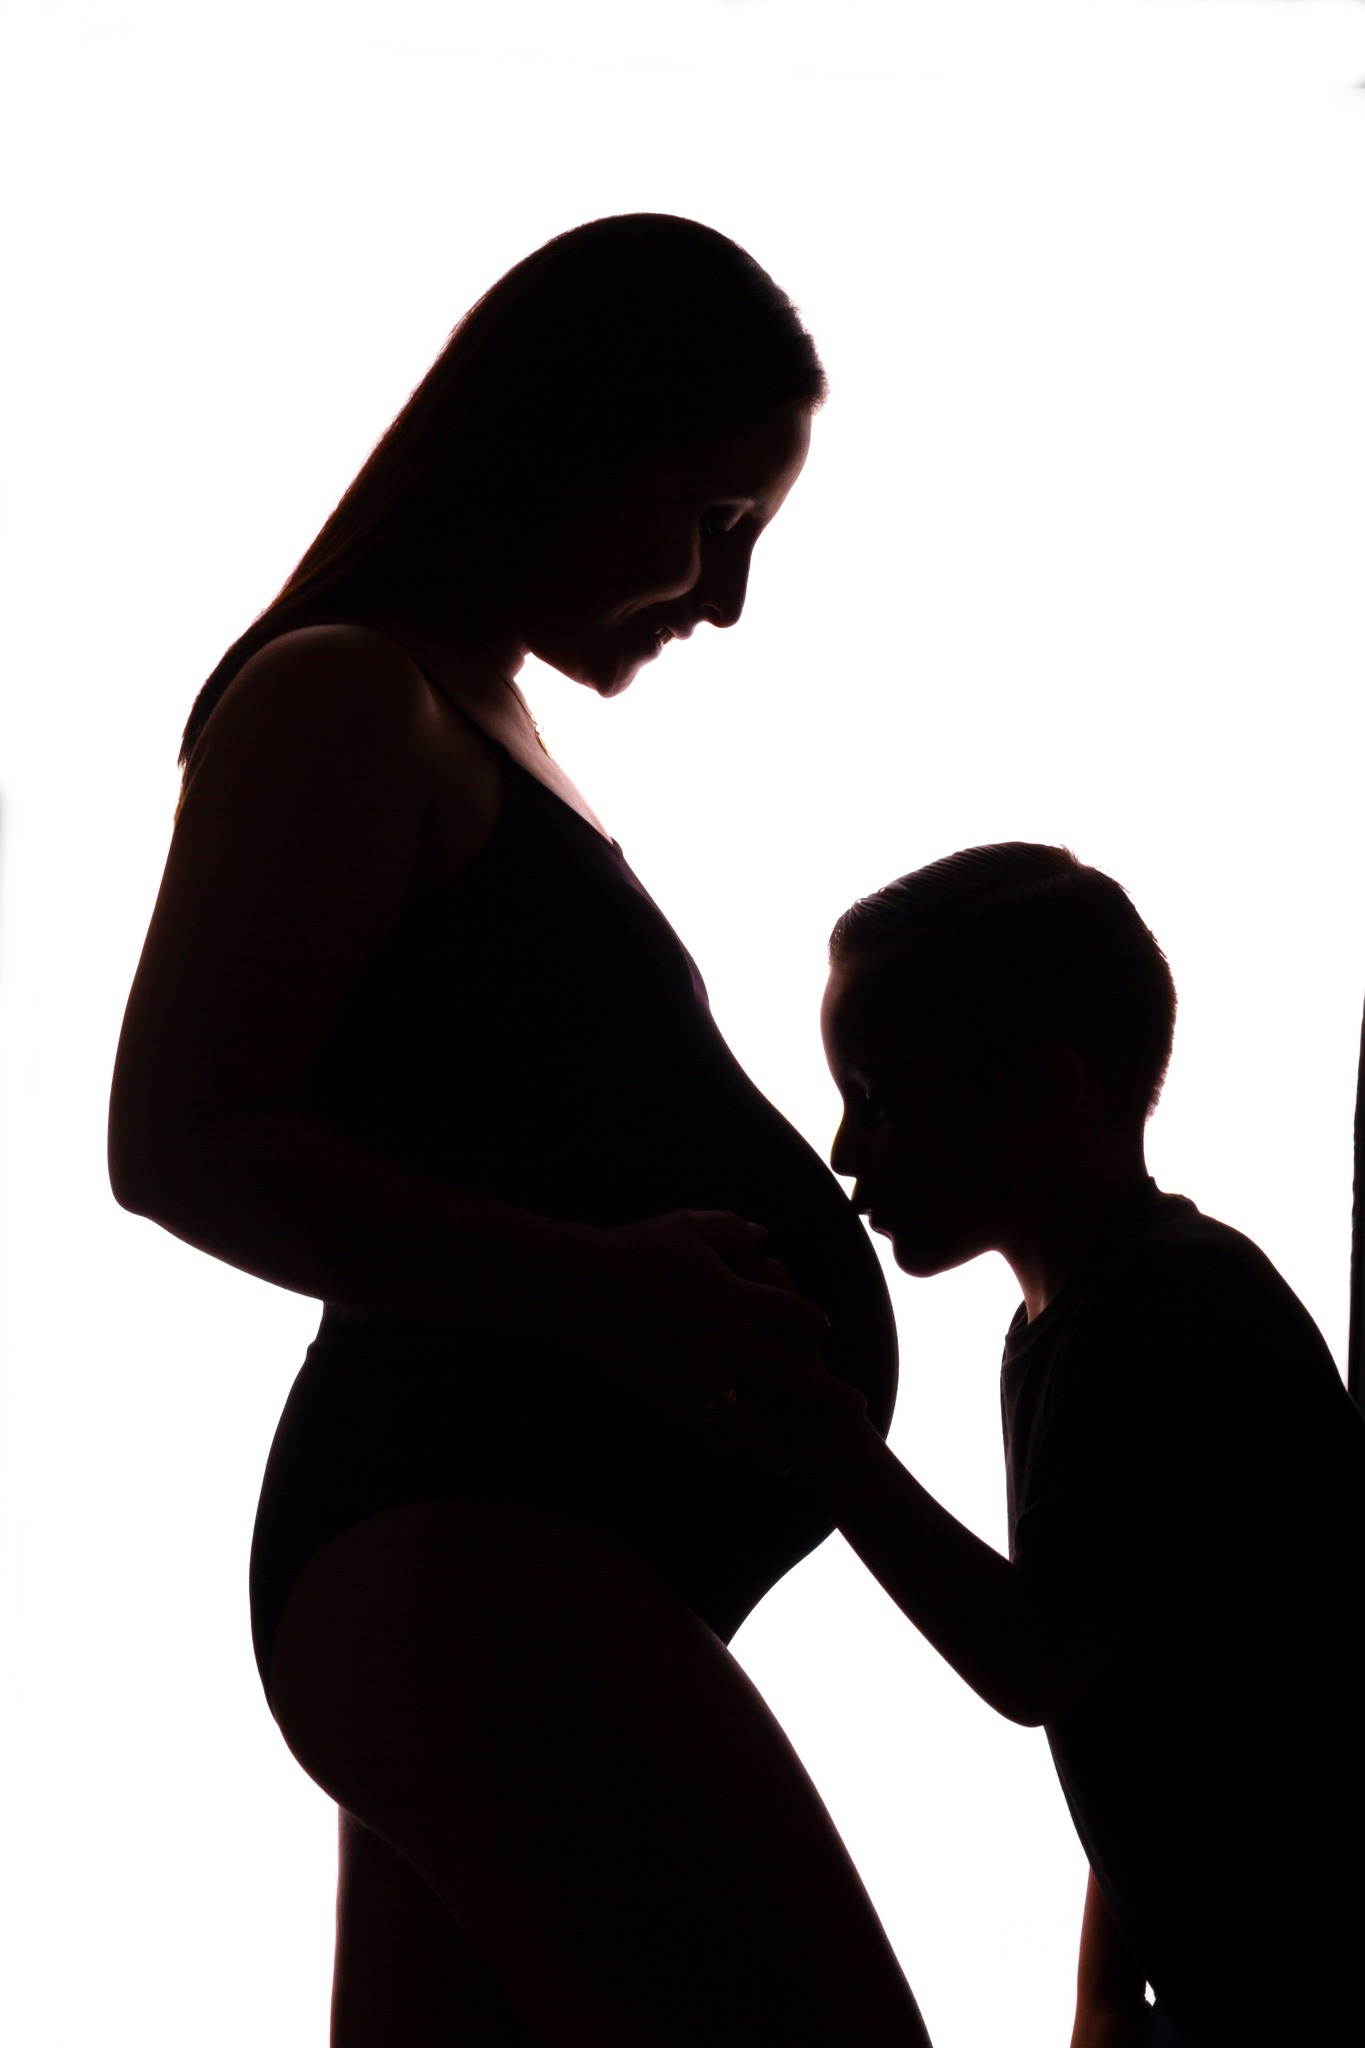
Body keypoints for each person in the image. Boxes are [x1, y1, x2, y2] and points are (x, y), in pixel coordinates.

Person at [108, 215, 932, 2047]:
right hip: (469, 1554)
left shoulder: (473, 720)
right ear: (575, 439)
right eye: (715, 521)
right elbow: (179, 1138)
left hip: (500, 1571)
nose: (724, 598)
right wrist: (597, 1289)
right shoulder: (349, 692)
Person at [765, 842, 1365, 2048]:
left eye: (877, 1097)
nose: (841, 1149)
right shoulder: (1071, 1322)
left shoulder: (1167, 1309)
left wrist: (817, 1439)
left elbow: (1038, 1657)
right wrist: (1108, 1995)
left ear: (1045, 1091)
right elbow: (1135, 1686)